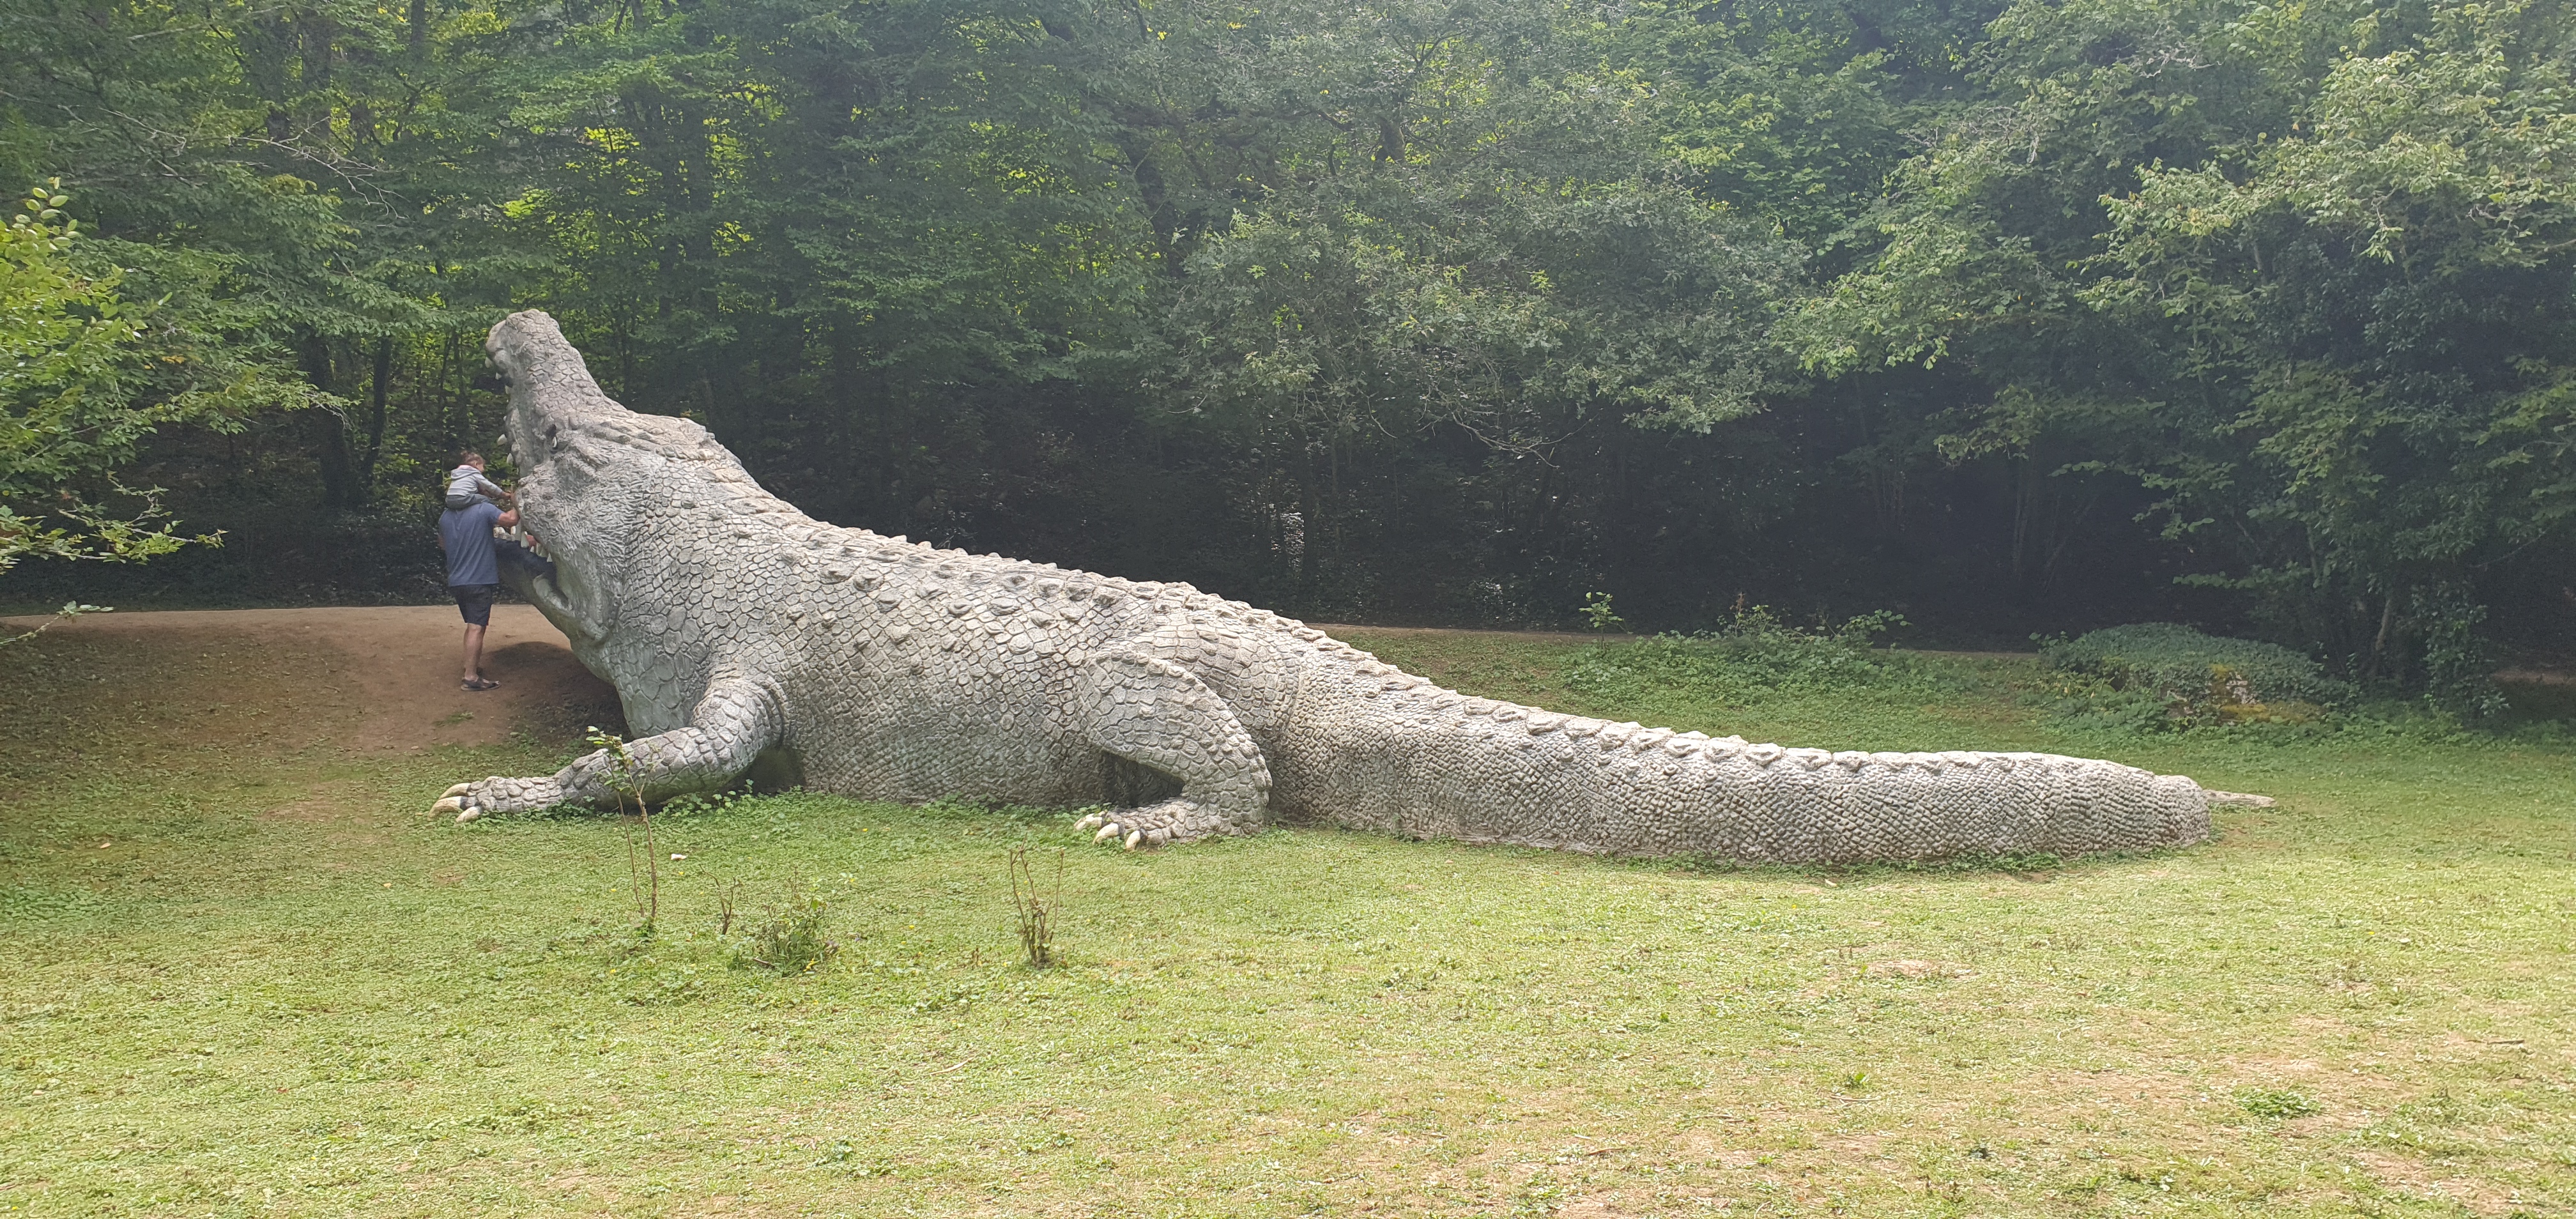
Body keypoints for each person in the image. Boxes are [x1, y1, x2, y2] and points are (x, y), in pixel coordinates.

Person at [437, 492, 519, 691]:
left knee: (471, 625)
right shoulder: (484, 509)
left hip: (457, 580)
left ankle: (470, 665)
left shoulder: (445, 516)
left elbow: (442, 544)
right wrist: (518, 499)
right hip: (479, 580)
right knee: (477, 628)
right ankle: (471, 678)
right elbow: (511, 519)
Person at [444, 452, 512, 511]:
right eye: (483, 466)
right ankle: (495, 514)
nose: (484, 469)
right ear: (476, 464)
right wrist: (503, 494)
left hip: (449, 500)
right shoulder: (474, 473)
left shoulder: (458, 474)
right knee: (486, 500)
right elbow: (489, 486)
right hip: (463, 498)